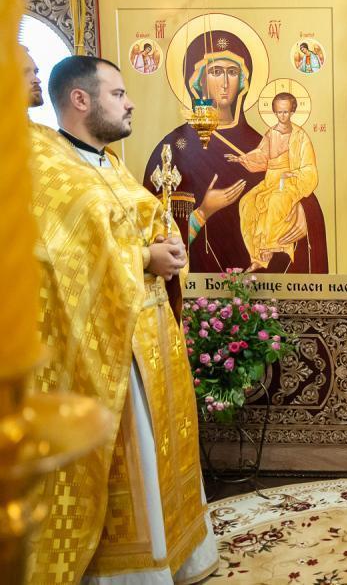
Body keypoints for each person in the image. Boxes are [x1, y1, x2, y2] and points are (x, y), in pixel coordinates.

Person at [27, 56, 218, 583]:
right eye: (118, 94)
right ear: (81, 100)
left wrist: (169, 247)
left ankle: (180, 552)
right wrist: (144, 257)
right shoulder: (50, 167)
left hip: (154, 336)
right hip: (110, 340)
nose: (130, 103)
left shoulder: (110, 164)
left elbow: (140, 227)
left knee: (165, 446)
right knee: (134, 457)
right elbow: (58, 256)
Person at [144, 29, 328, 273]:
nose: (224, 82)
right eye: (215, 72)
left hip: (265, 282)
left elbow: (298, 180)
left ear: (243, 80)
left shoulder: (264, 141)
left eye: (232, 72)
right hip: (201, 280)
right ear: (197, 81)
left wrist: (305, 212)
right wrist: (204, 212)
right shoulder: (173, 147)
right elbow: (152, 237)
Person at [226, 92, 319, 272]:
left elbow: (309, 167)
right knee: (247, 203)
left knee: (276, 201)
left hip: (290, 181)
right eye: (279, 112)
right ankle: (255, 255)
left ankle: (268, 248)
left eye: (286, 112)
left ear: (292, 111)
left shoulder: (300, 136)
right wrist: (242, 159)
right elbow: (262, 156)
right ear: (274, 112)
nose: (282, 116)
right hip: (270, 180)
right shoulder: (271, 133)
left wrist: (293, 174)